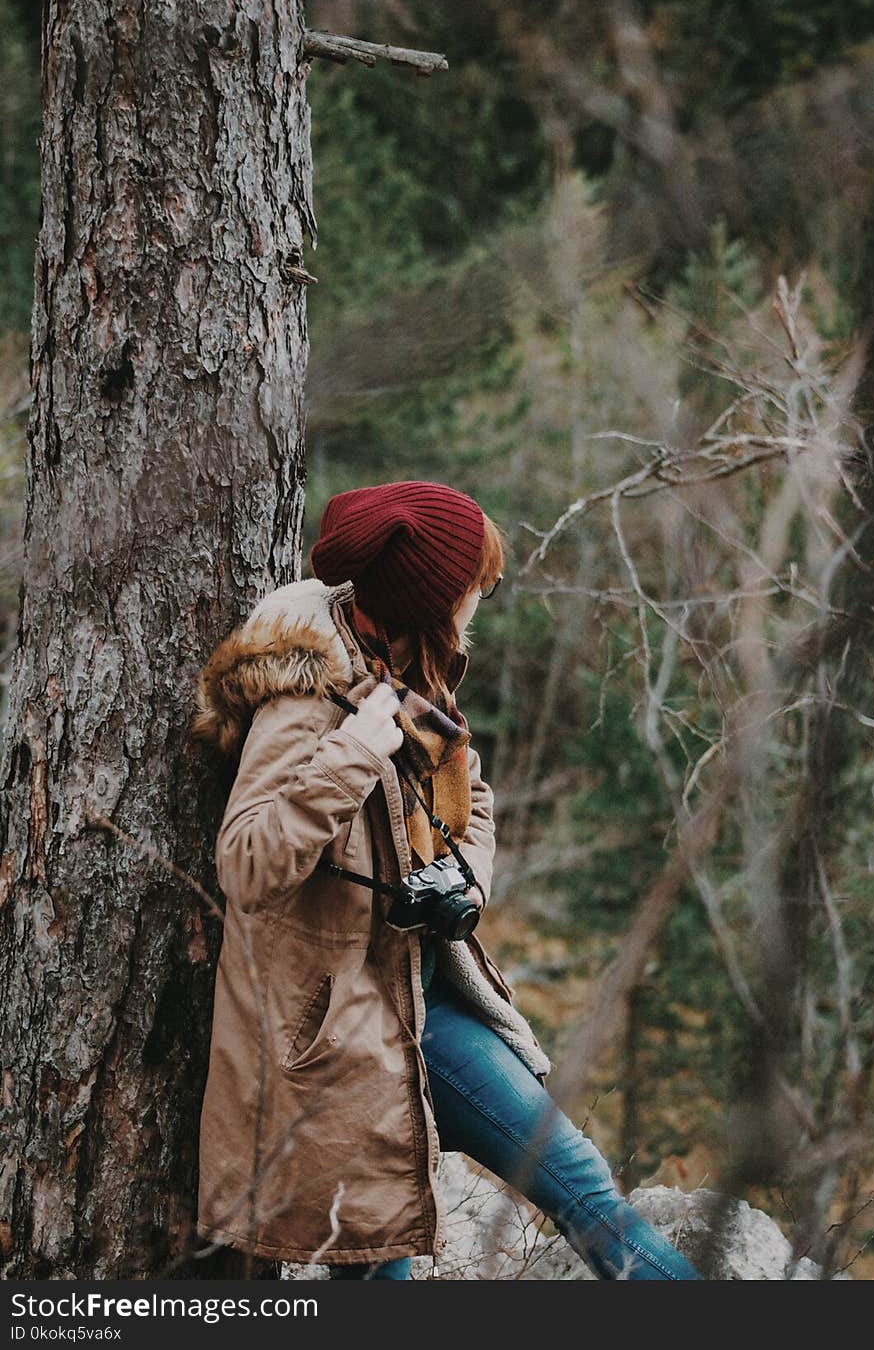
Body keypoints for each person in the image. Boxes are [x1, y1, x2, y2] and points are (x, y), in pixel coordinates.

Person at [191, 480, 701, 1280]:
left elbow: (476, 798)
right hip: (338, 1036)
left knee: (582, 1186)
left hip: (428, 993)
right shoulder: (305, 700)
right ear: (424, 599)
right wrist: (355, 752)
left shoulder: (403, 660)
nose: (482, 600)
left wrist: (463, 885)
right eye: (474, 586)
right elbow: (247, 863)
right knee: (380, 1263)